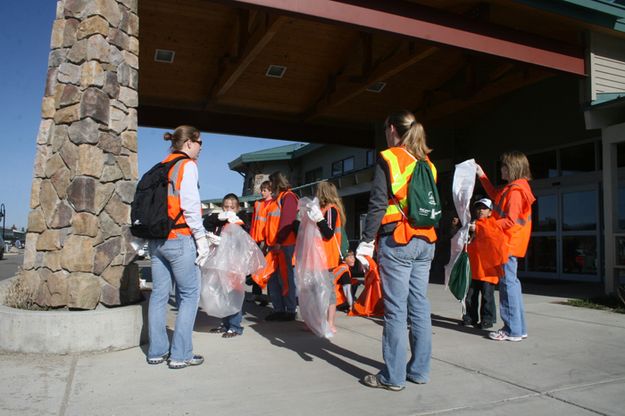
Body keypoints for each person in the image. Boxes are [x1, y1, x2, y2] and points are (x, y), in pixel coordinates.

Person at [356, 110, 437, 391]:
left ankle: (393, 377)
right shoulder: (428, 163)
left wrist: (366, 241)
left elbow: (377, 203)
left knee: (395, 311)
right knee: (420, 307)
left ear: (392, 129)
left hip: (398, 240)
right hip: (426, 241)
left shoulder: (390, 157)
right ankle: (419, 371)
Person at [147, 125, 207, 369]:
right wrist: (201, 239)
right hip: (180, 237)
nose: (201, 148)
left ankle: (156, 351)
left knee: (159, 295)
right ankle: (180, 355)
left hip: (156, 240)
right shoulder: (187, 166)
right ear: (190, 143)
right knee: (189, 295)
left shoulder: (161, 166)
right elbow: (191, 205)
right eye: (200, 142)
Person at [476, 151, 535, 342]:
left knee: (508, 286)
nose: (501, 169)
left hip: (507, 244)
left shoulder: (516, 192)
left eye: (504, 166)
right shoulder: (513, 189)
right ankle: (519, 328)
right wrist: (481, 175)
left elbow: (509, 221)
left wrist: (485, 226)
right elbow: (495, 195)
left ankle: (512, 330)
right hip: (509, 244)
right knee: (512, 285)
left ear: (512, 168)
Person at [203, 193, 246, 338]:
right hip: (219, 263)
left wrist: (222, 242)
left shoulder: (239, 223)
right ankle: (225, 323)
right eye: (226, 207)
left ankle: (234, 326)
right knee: (221, 293)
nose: (229, 210)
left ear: (238, 208)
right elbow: (206, 223)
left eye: (232, 207)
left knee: (233, 294)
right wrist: (218, 218)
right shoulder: (221, 221)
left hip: (233, 265)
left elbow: (241, 244)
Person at [305, 181, 346, 333]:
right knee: (316, 290)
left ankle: (330, 322)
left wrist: (319, 220)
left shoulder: (330, 210)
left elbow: (328, 233)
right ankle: (318, 321)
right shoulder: (322, 209)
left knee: (328, 291)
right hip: (318, 257)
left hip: (326, 257)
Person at [461, 198, 501, 329]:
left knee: (487, 297)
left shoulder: (493, 224)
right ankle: (470, 318)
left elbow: (491, 236)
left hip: (488, 270)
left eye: (484, 208)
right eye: (478, 208)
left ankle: (487, 319)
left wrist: (476, 227)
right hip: (474, 268)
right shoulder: (471, 224)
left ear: (490, 212)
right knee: (470, 296)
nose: (480, 210)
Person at [264, 171, 299, 321]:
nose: (270, 186)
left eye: (271, 183)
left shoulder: (288, 197)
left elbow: (287, 221)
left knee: (285, 278)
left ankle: (290, 310)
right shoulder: (279, 199)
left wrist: (279, 241)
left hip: (284, 244)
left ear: (276, 182)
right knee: (274, 278)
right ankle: (279, 309)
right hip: (275, 245)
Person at [248, 180, 272, 306]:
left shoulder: (273, 204)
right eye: (262, 190)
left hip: (266, 240)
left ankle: (269, 296)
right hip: (256, 239)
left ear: (270, 191)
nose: (262, 193)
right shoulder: (257, 204)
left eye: (265, 190)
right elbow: (253, 222)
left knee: (267, 268)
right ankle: (256, 293)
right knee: (256, 267)